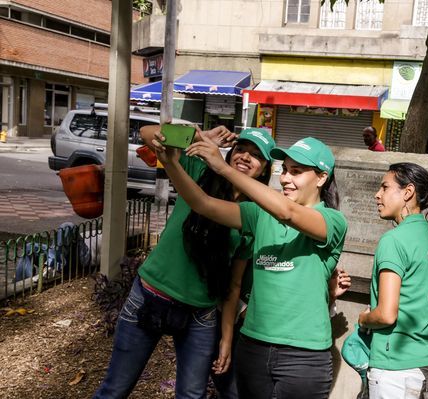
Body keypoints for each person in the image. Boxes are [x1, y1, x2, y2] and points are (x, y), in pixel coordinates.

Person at [154, 134, 348, 399]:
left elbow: (287, 213)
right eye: (284, 171)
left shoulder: (332, 220)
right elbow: (202, 204)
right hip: (254, 347)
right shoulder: (258, 214)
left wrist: (222, 167)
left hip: (303, 356)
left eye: (297, 172)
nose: (285, 179)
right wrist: (171, 164)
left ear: (322, 178)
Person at [93, 126, 273, 399]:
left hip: (200, 313)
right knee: (115, 390)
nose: (246, 157)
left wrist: (225, 339)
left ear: (266, 168)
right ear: (230, 153)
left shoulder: (257, 214)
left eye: (256, 155)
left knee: (192, 395)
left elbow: (234, 285)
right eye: (241, 150)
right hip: (150, 296)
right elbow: (146, 133)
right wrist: (197, 136)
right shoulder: (200, 171)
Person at [358, 162, 428, 399]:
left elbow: (387, 314)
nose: (377, 194)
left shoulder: (394, 240)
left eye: (385, 187)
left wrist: (364, 318)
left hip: (398, 372)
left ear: (408, 192)